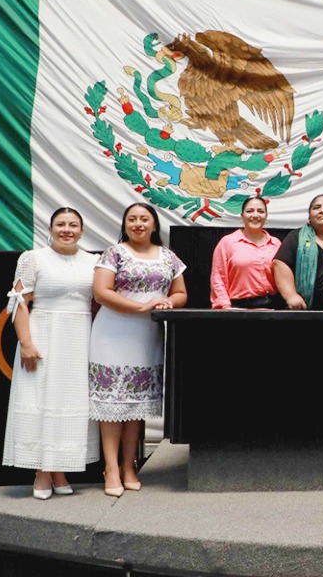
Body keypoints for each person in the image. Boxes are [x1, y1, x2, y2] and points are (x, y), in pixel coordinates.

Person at [2, 207, 100, 499]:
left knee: (69, 402)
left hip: (80, 339)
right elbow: (20, 302)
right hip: (43, 336)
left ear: (82, 231)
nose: (67, 230)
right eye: (61, 224)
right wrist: (26, 343)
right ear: (50, 228)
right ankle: (41, 472)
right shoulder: (32, 258)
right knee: (41, 401)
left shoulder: (94, 262)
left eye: (73, 225)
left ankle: (59, 470)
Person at [90, 203, 187, 497]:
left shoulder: (168, 256)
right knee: (111, 405)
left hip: (147, 336)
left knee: (136, 405)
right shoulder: (114, 253)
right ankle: (111, 468)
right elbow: (101, 292)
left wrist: (169, 302)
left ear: (154, 225)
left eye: (144, 219)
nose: (138, 224)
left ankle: (129, 465)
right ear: (125, 224)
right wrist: (141, 307)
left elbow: (180, 293)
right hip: (112, 334)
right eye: (132, 219)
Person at [210, 196, 282, 309]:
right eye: (250, 211)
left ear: (266, 216)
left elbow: (284, 278)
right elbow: (218, 277)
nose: (255, 215)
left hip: (271, 307)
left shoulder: (276, 243)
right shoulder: (228, 242)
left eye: (260, 211)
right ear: (242, 216)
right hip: (237, 308)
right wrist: (224, 305)